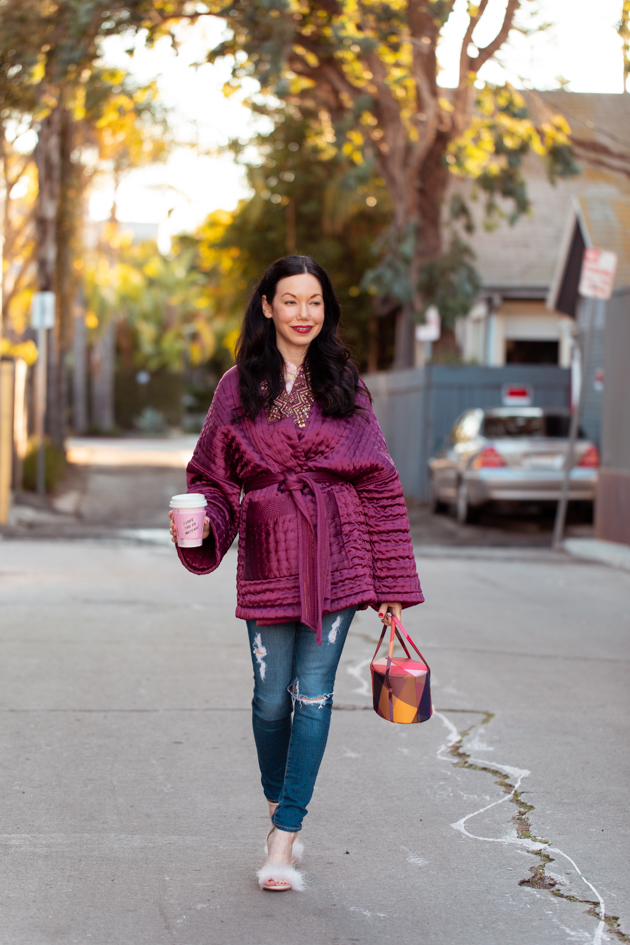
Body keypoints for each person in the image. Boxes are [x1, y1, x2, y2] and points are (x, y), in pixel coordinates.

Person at [170, 255, 423, 891]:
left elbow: (380, 480)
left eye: (314, 302)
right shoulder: (237, 386)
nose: (303, 314)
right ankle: (280, 794)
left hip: (338, 553)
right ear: (268, 307)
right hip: (268, 551)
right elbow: (212, 476)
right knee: (267, 696)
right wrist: (203, 523)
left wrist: (391, 585)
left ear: (325, 310)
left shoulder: (346, 383)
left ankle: (284, 833)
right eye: (291, 301)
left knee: (314, 695)